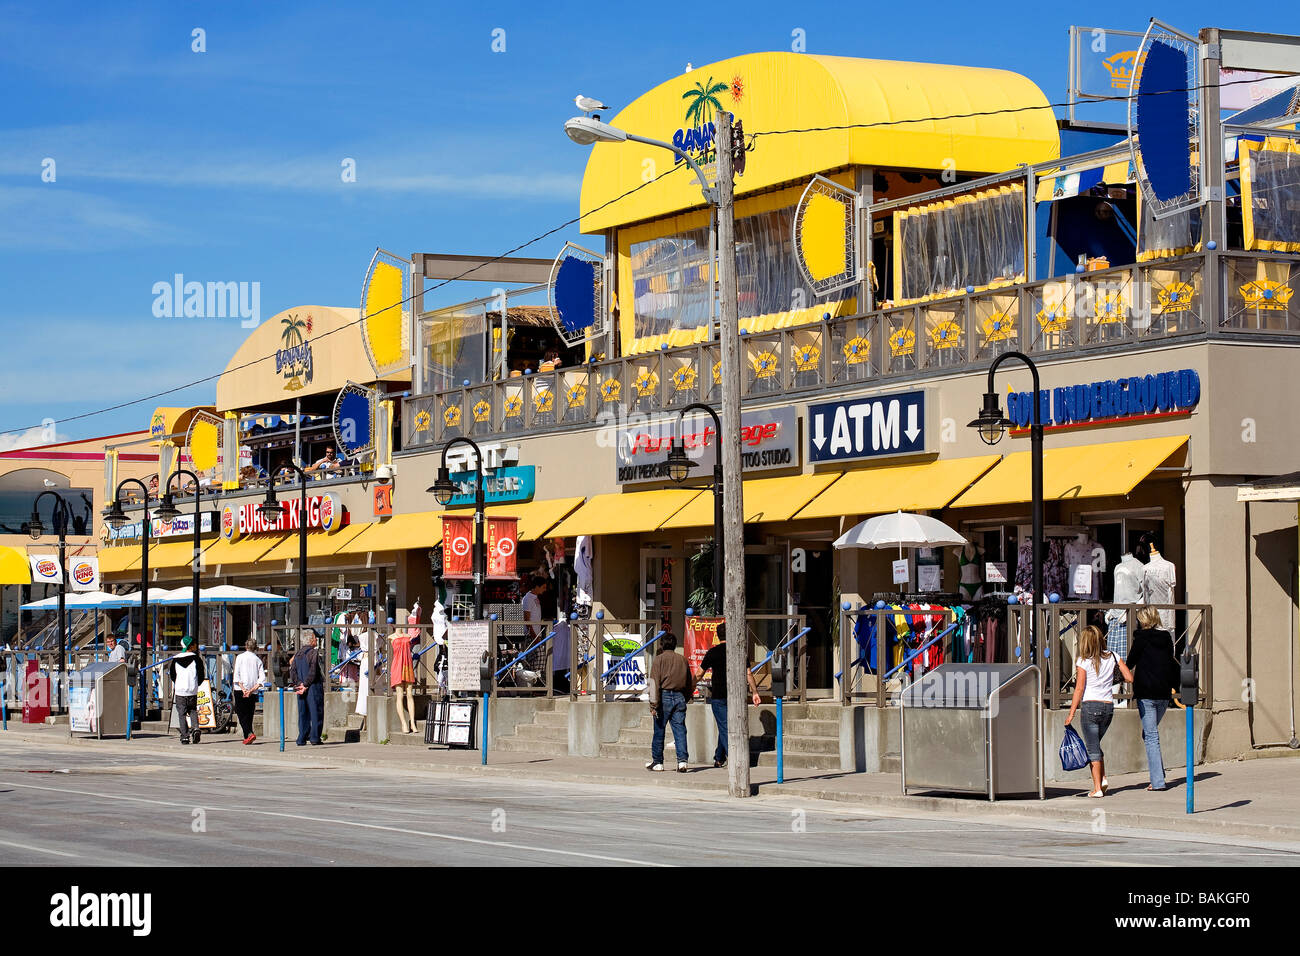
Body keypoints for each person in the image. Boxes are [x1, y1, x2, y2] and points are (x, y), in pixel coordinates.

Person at [1064, 624, 1134, 797]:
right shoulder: (1113, 656)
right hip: (1108, 707)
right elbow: (1129, 678)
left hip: (1090, 706)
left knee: (1092, 748)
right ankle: (1102, 779)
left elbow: (1079, 689)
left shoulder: (1083, 661)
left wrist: (1071, 713)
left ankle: (1097, 789)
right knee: (1095, 744)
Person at [1126, 606, 1181, 791]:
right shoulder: (1166, 638)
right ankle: (1160, 774)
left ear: (1143, 620)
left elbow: (1130, 661)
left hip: (1146, 694)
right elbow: (1171, 661)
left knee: (1150, 736)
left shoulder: (1141, 638)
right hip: (1164, 694)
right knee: (1150, 734)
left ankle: (1157, 782)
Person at [693, 622, 760, 768]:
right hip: (736, 696)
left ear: (717, 636)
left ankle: (736, 759)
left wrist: (690, 687)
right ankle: (719, 757)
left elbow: (699, 674)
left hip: (718, 696)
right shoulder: (739, 651)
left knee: (725, 728)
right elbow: (748, 673)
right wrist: (755, 692)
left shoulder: (713, 652)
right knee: (725, 726)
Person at [646, 632, 692, 772]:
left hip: (663, 696)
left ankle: (658, 762)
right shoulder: (683, 660)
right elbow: (689, 681)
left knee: (659, 730)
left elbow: (654, 683)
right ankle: (682, 762)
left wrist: (653, 704)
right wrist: (686, 697)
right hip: (679, 696)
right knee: (680, 730)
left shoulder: (658, 660)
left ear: (662, 645)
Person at [166, 636, 206, 745]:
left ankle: (185, 736)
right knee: (193, 710)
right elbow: (201, 674)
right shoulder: (196, 659)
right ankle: (196, 727)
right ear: (190, 646)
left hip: (180, 690)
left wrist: (178, 683)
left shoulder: (175, 659)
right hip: (192, 689)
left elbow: (173, 675)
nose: (196, 646)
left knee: (182, 713)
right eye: (194, 644)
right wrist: (196, 684)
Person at [291, 632, 324, 746]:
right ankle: (315, 737)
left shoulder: (298, 653)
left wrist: (299, 684)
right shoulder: (313, 653)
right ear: (311, 640)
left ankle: (302, 738)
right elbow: (313, 671)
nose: (316, 640)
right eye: (315, 638)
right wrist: (306, 684)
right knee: (316, 712)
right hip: (313, 686)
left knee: (303, 712)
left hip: (300, 687)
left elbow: (293, 671)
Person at [233, 637, 267, 745]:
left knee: (240, 712)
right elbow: (262, 678)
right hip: (253, 691)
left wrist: (243, 689)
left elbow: (236, 675)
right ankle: (247, 735)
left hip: (240, 689)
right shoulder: (258, 660)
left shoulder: (240, 657)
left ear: (246, 646)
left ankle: (249, 732)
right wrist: (251, 690)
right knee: (249, 713)